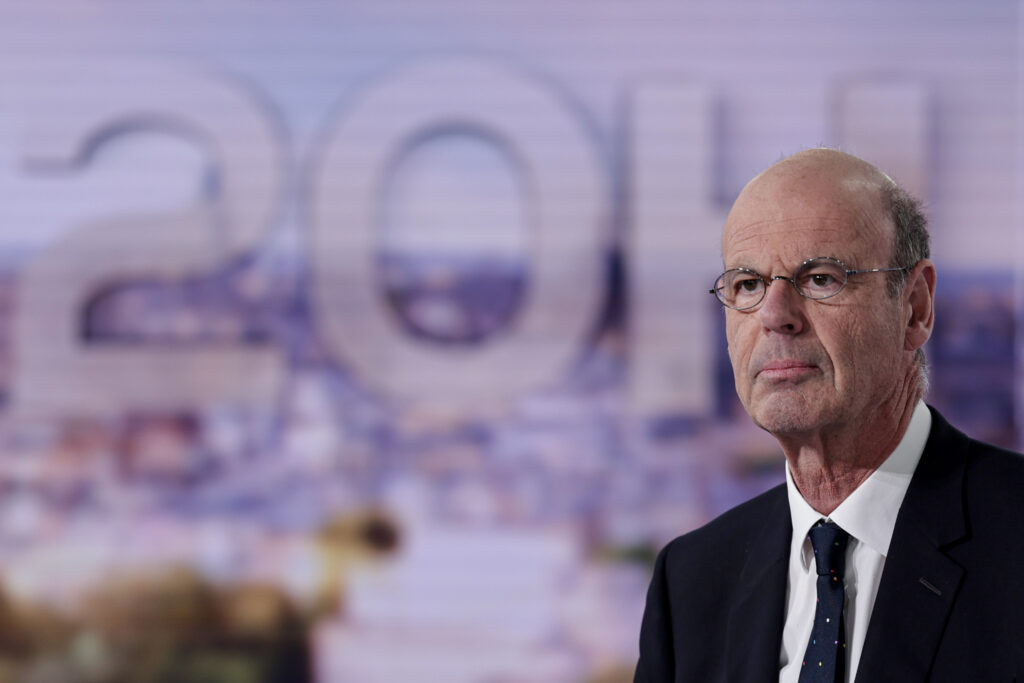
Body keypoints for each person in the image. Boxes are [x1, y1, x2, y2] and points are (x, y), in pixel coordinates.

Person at [634, 148, 1024, 682]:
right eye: (747, 285)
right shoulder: (692, 582)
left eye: (820, 278)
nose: (774, 315)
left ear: (915, 307)